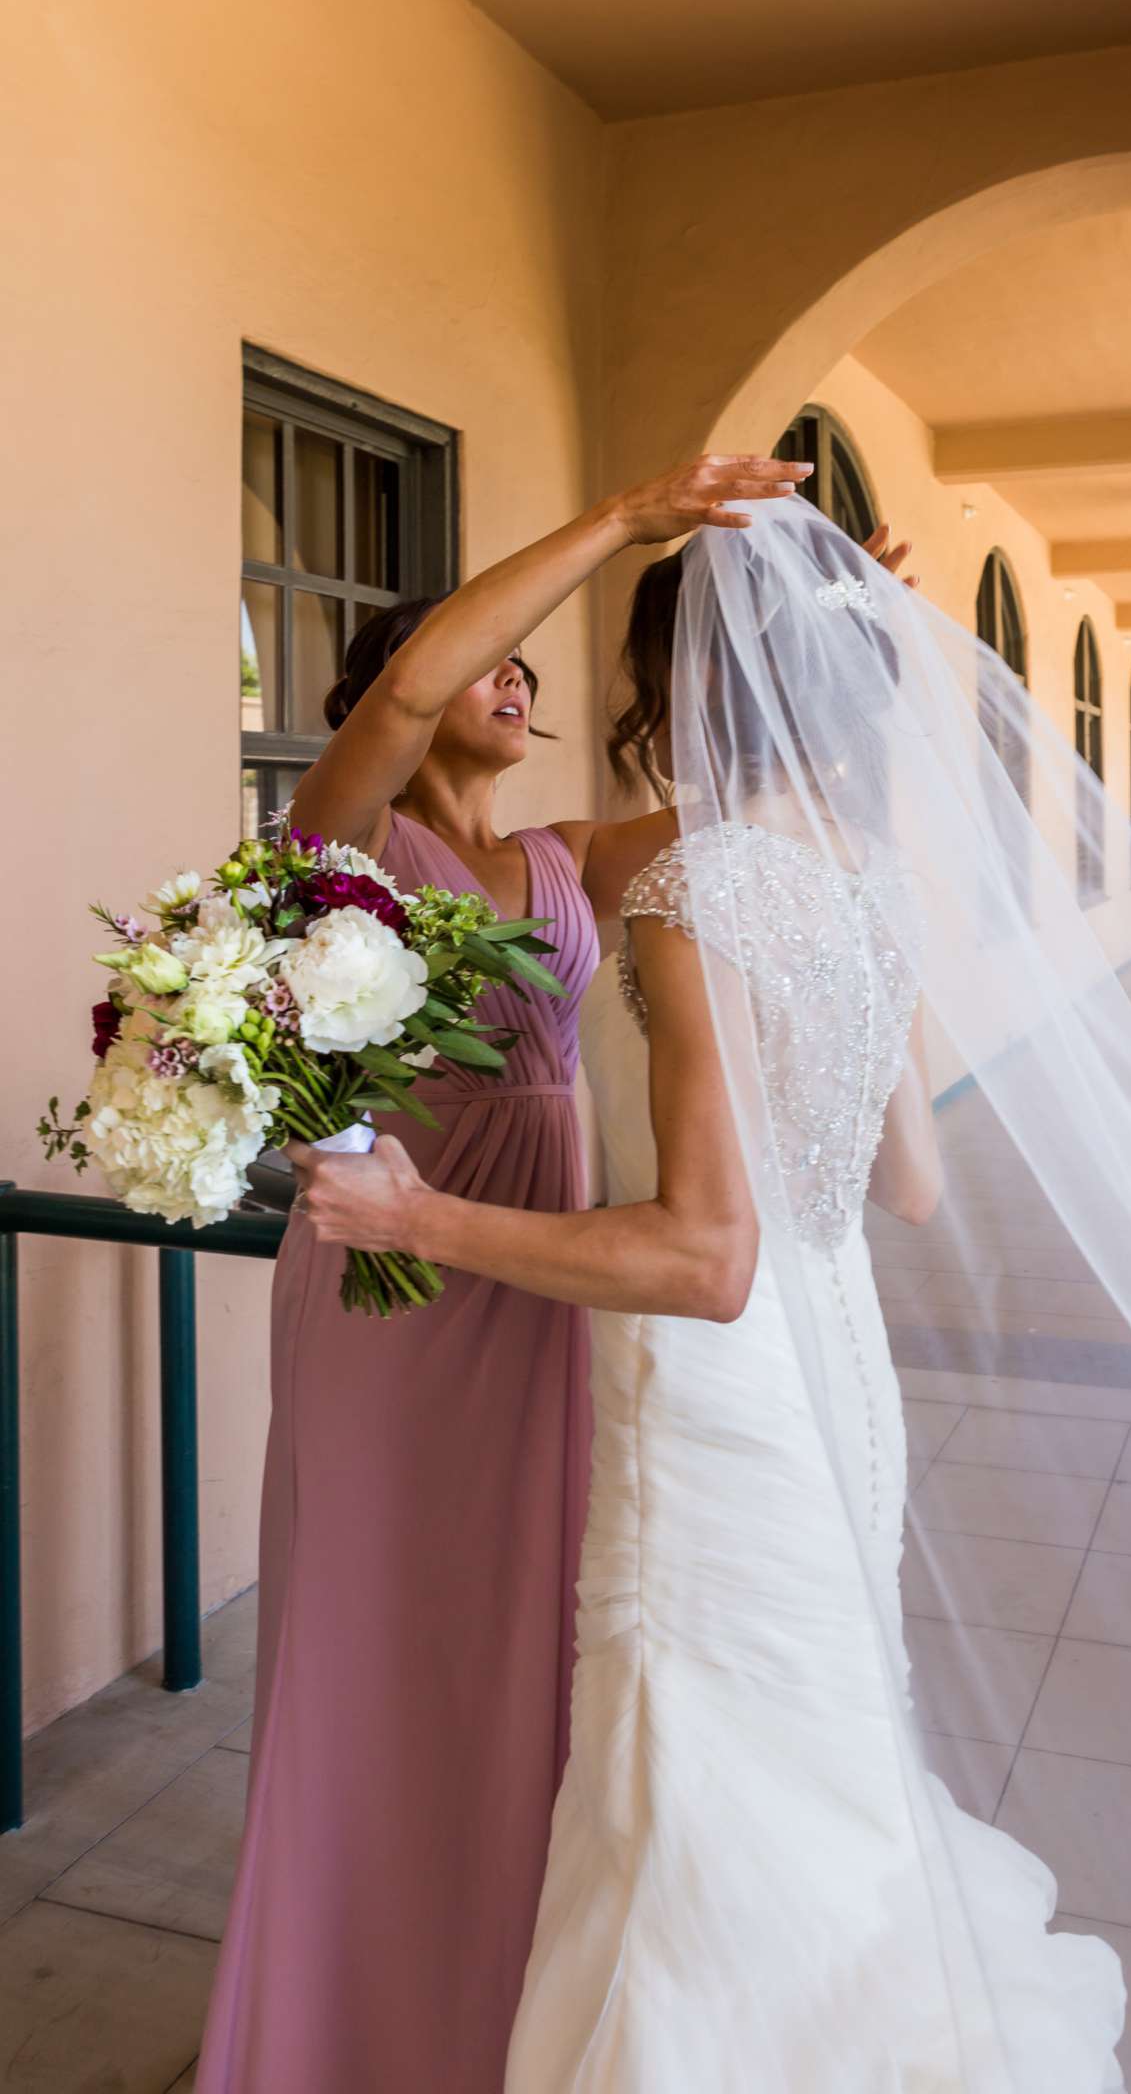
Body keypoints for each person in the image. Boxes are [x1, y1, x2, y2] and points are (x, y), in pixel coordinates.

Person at [297, 498, 1131, 2089]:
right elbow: (903, 1182)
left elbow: (708, 1264)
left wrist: (423, 1211)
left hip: (726, 1382)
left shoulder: (691, 891)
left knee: (707, 1758)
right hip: (843, 1363)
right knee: (822, 1726)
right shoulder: (875, 885)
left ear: (671, 681)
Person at [197, 455, 819, 2094]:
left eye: (535, 664)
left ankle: (496, 2016)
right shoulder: (338, 840)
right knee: (377, 1644)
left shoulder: (573, 858)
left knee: (531, 1650)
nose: (519, 676)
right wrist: (625, 520)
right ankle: (335, 2028)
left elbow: (748, 820)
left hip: (538, 1276)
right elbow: (407, 683)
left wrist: (822, 630)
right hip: (390, 1297)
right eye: (499, 650)